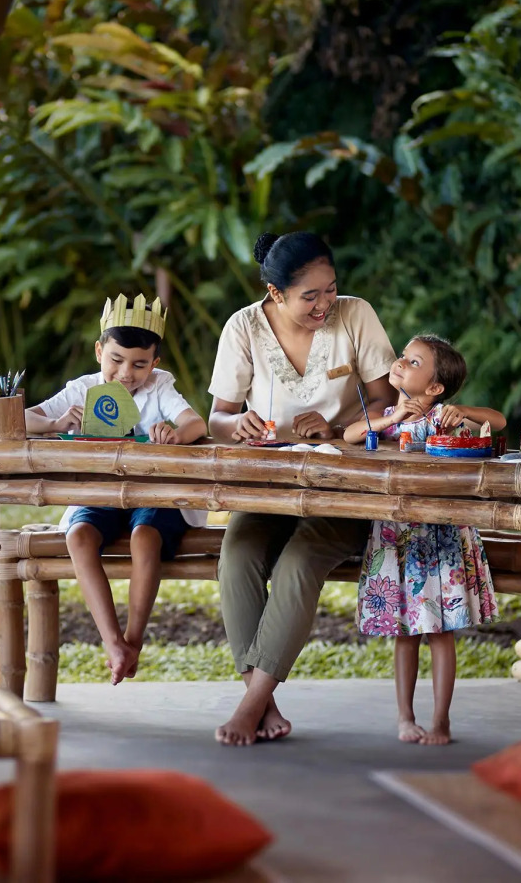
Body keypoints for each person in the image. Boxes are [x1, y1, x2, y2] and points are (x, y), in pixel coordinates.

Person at [208, 231, 398, 746]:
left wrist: (339, 432)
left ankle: (249, 707)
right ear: (275, 294)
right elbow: (218, 418)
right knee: (238, 553)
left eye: (330, 289)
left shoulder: (356, 315)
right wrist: (239, 426)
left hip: (343, 485)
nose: (324, 304)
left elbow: (385, 406)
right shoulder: (244, 327)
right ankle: (261, 700)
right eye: (308, 296)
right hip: (268, 484)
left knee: (300, 561)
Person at [25, 295, 208, 684]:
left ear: (155, 362)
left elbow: (197, 423)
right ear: (99, 352)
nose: (127, 373)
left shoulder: (159, 388)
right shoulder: (83, 389)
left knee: (145, 537)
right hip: (101, 494)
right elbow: (23, 419)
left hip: (154, 495)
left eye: (140, 363)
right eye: (117, 359)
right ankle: (112, 641)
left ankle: (134, 640)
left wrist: (174, 433)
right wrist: (55, 421)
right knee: (78, 536)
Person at [343, 334, 506, 745]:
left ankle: (441, 720)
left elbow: (498, 420)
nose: (401, 362)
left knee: (440, 632)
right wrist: (391, 420)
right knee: (404, 633)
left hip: (442, 535)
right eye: (403, 356)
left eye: (414, 362)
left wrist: (460, 411)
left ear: (435, 389)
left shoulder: (443, 419)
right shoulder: (386, 416)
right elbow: (351, 435)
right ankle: (405, 717)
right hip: (397, 537)